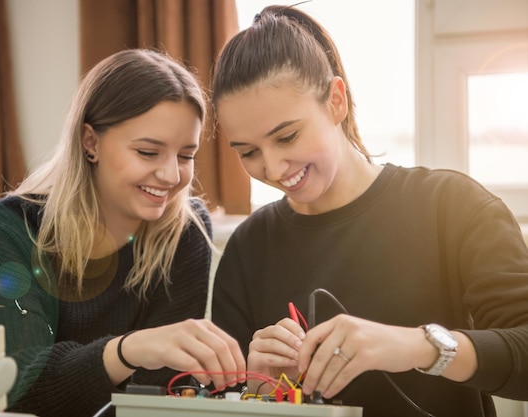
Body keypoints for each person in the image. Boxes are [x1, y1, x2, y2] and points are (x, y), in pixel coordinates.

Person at [210, 5, 528, 417]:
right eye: (248, 152)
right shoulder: (248, 248)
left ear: (336, 101)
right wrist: (260, 389)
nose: (271, 169)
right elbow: (219, 401)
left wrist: (417, 346)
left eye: (287, 137)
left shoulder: (453, 207)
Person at [0, 48, 245, 417]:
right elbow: (17, 386)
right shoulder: (11, 229)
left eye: (185, 155)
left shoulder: (185, 231)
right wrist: (126, 350)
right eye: (148, 152)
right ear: (91, 143)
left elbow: (162, 392)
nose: (171, 176)